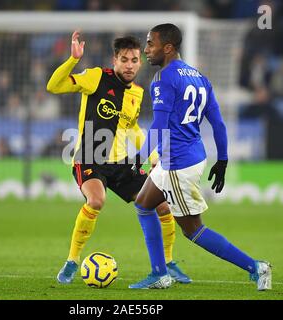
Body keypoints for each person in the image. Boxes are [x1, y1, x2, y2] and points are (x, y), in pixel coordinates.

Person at [128, 23, 272, 290]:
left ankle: (257, 267)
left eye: (150, 43)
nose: (146, 49)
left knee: (193, 230)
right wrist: (223, 159)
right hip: (191, 155)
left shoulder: (163, 79)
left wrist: (139, 156)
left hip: (178, 164)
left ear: (168, 48)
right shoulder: (200, 78)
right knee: (144, 204)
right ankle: (159, 273)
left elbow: (159, 125)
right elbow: (217, 124)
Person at [46, 30, 189, 285]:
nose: (130, 65)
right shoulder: (96, 77)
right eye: (124, 59)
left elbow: (131, 128)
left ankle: (168, 264)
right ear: (115, 60)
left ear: (140, 62)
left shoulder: (137, 93)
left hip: (122, 164)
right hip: (89, 158)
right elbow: (53, 86)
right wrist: (72, 60)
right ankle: (71, 261)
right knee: (97, 200)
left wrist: (153, 154)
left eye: (134, 60)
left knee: (163, 205)